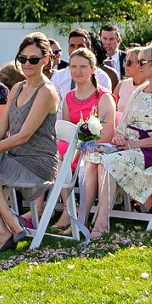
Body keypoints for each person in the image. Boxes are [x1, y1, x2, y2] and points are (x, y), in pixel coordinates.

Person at [0, 35, 61, 254]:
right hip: (15, 157)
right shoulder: (16, 87)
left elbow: (23, 136)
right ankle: (3, 230)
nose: (27, 63)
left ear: (46, 60)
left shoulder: (46, 92)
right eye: (23, 58)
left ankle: (12, 227)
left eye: (33, 60)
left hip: (38, 164)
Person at [95, 42, 152, 235]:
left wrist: (133, 144)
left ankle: (101, 223)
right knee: (93, 157)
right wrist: (120, 137)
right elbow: (124, 124)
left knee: (110, 161)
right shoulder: (139, 91)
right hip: (130, 147)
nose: (139, 65)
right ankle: (81, 216)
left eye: (143, 61)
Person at [50, 46, 118, 236]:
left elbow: (107, 135)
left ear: (93, 70)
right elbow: (63, 129)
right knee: (52, 152)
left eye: (83, 67)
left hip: (95, 147)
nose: (77, 71)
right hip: (70, 149)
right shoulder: (69, 97)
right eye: (73, 67)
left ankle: (78, 216)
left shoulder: (102, 97)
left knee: (82, 157)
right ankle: (66, 210)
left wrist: (82, 144)